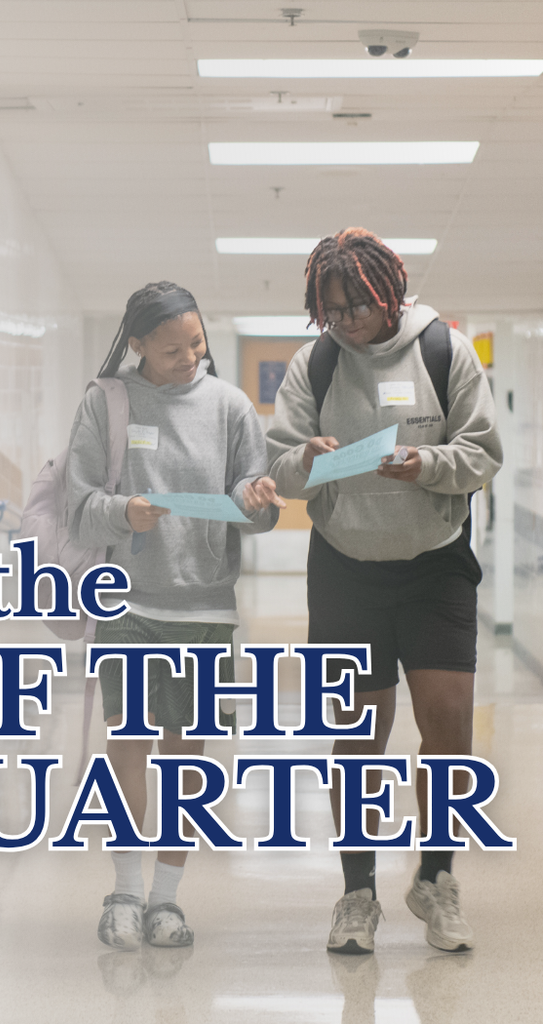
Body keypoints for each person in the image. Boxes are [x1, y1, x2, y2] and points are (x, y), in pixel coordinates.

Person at [266, 228, 502, 955]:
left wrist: (424, 463)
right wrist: (305, 457)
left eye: (356, 307)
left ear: (387, 293)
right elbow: (280, 466)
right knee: (359, 739)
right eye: (331, 310)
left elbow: (483, 453)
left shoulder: (445, 351)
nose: (345, 321)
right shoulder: (317, 363)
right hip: (346, 567)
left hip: (434, 564)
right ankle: (358, 892)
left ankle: (436, 879)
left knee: (450, 728)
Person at [67, 281, 284, 951]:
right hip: (128, 605)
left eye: (196, 343)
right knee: (128, 748)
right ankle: (125, 893)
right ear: (136, 345)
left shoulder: (230, 405)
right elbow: (78, 502)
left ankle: (167, 901)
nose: (189, 357)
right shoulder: (106, 401)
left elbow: (261, 505)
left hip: (205, 611)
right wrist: (122, 511)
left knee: (185, 757)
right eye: (171, 350)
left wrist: (258, 500)